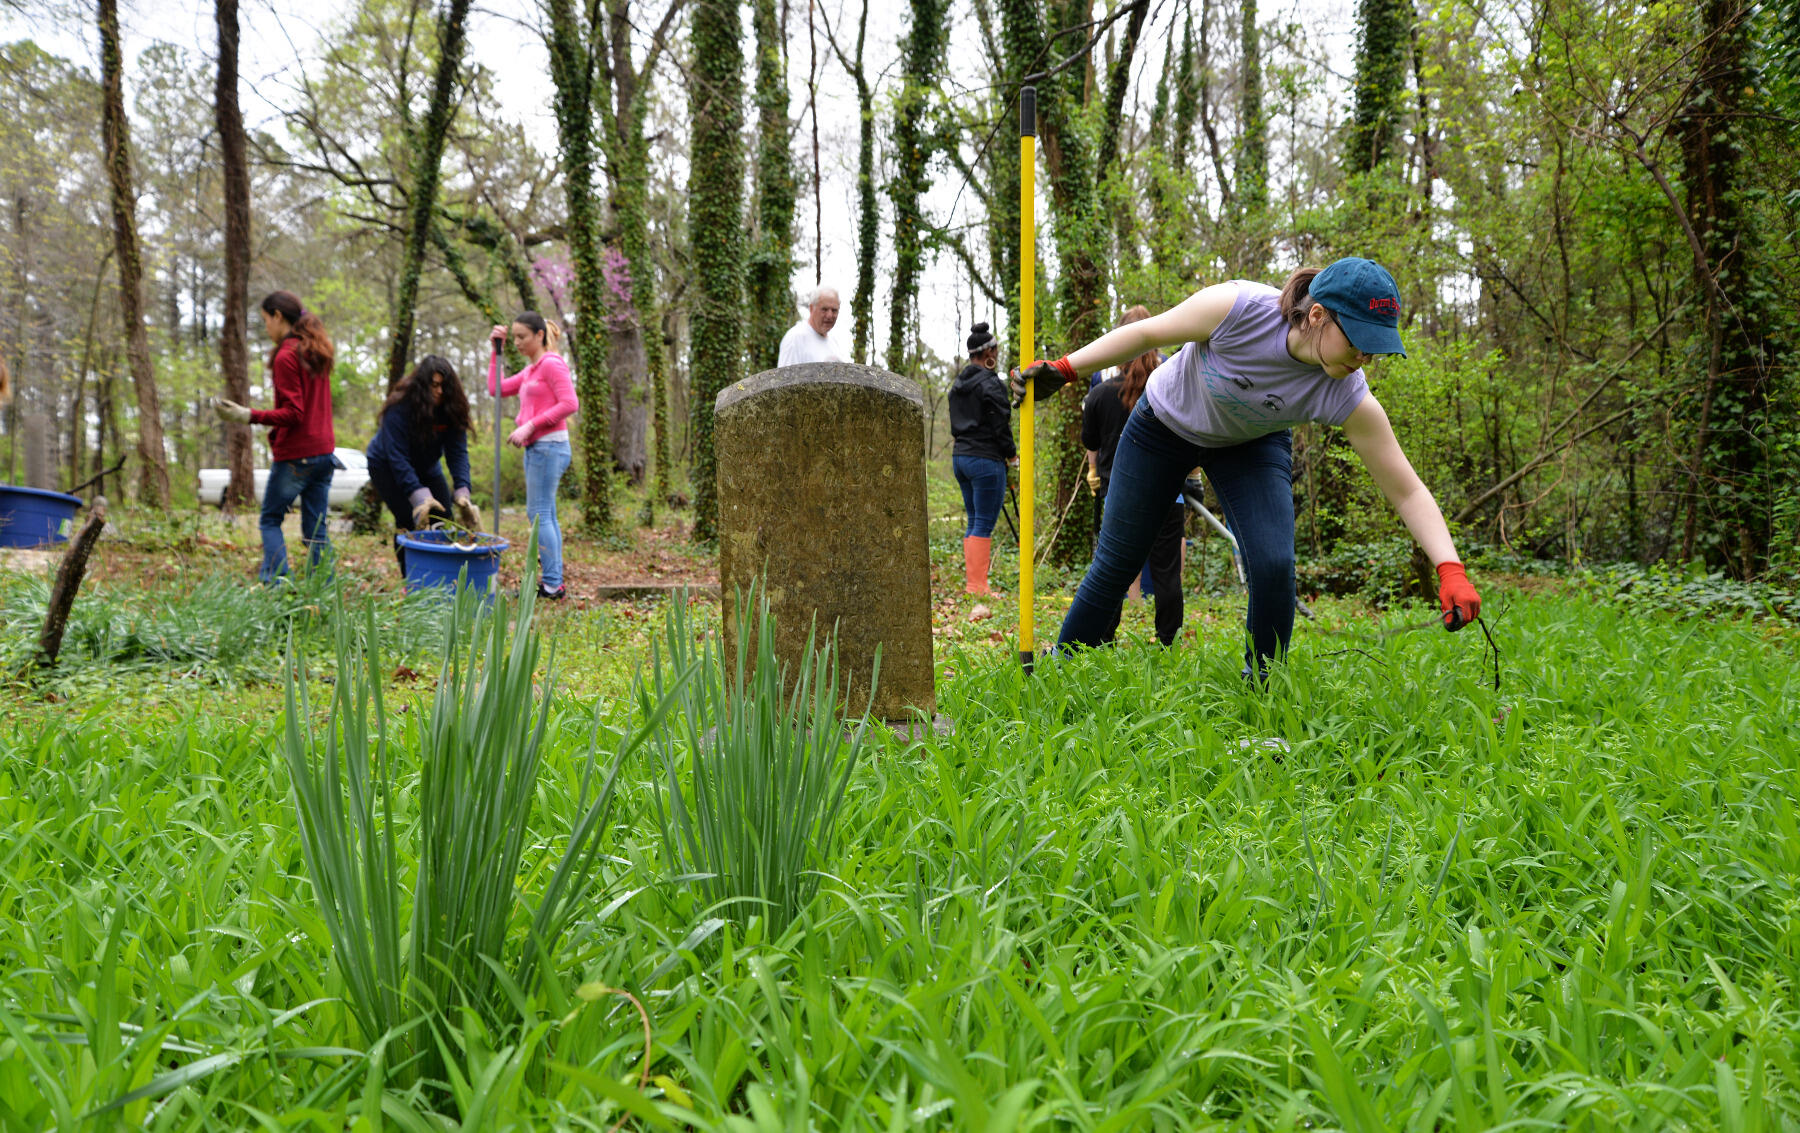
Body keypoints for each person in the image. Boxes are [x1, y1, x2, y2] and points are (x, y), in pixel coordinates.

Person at [1015, 257, 1482, 676]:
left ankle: (1263, 687)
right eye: (1359, 341)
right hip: (1163, 423)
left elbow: (1407, 489)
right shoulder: (1238, 307)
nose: (1365, 358)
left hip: (1249, 443)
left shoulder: (1346, 392)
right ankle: (1066, 668)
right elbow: (1147, 333)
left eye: (1376, 348)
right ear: (1317, 315)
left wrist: (1450, 568)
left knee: (1275, 563)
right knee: (1118, 560)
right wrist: (1066, 368)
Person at [213, 290, 337, 584]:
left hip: (298, 456)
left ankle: (279, 586)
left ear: (278, 316)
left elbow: (294, 413)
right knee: (316, 531)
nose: (266, 327)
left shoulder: (287, 356)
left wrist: (248, 415)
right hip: (324, 454)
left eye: (266, 320)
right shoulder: (316, 350)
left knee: (270, 520)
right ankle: (325, 590)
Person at [1082, 305, 1185, 646]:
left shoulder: (1098, 395)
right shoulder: (1171, 388)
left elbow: (1091, 443)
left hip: (1119, 494)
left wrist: (1094, 471)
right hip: (1169, 493)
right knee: (1168, 574)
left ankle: (1103, 641)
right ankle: (1169, 643)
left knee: (1111, 573)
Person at [488, 312, 579, 599]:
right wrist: (495, 352)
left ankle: (553, 585)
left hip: (549, 447)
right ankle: (554, 582)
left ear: (539, 335)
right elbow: (496, 389)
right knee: (545, 515)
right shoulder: (530, 370)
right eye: (513, 337)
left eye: (522, 337)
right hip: (538, 449)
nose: (517, 342)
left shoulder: (551, 364)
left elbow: (570, 403)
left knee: (539, 515)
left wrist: (530, 425)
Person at [366, 355, 482, 574]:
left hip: (427, 466)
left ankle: (443, 575)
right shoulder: (400, 407)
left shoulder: (451, 409)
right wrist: (418, 495)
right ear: (422, 385)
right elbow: (397, 457)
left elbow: (457, 453)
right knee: (409, 519)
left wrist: (463, 490)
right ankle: (412, 581)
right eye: (434, 385)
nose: (439, 391)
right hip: (386, 465)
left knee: (444, 516)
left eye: (443, 386)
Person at [948, 322, 1015, 596]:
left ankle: (974, 585)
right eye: (996, 350)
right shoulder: (990, 383)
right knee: (983, 522)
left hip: (960, 458)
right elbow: (1000, 424)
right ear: (988, 351)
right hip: (986, 460)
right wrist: (1011, 455)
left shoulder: (957, 384)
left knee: (975, 519)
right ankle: (978, 587)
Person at [777, 287, 843, 366]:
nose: (829, 315)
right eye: (824, 309)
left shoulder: (834, 342)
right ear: (811, 308)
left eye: (834, 310)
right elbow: (784, 377)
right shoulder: (795, 338)